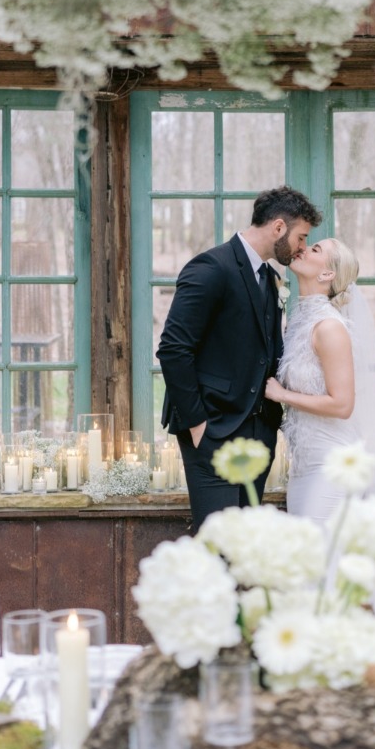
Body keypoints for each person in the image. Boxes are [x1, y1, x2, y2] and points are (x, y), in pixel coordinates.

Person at [157, 186, 323, 531]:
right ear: (279, 227)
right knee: (219, 547)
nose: (302, 248)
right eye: (302, 237)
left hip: (257, 432)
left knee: (244, 548)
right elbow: (173, 349)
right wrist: (199, 425)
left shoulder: (270, 277)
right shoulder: (210, 267)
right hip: (214, 430)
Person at [265, 238, 375, 526]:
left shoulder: (330, 328)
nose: (304, 249)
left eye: (316, 249)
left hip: (331, 466)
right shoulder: (299, 322)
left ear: (327, 274)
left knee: (324, 562)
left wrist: (281, 395)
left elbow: (342, 404)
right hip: (303, 465)